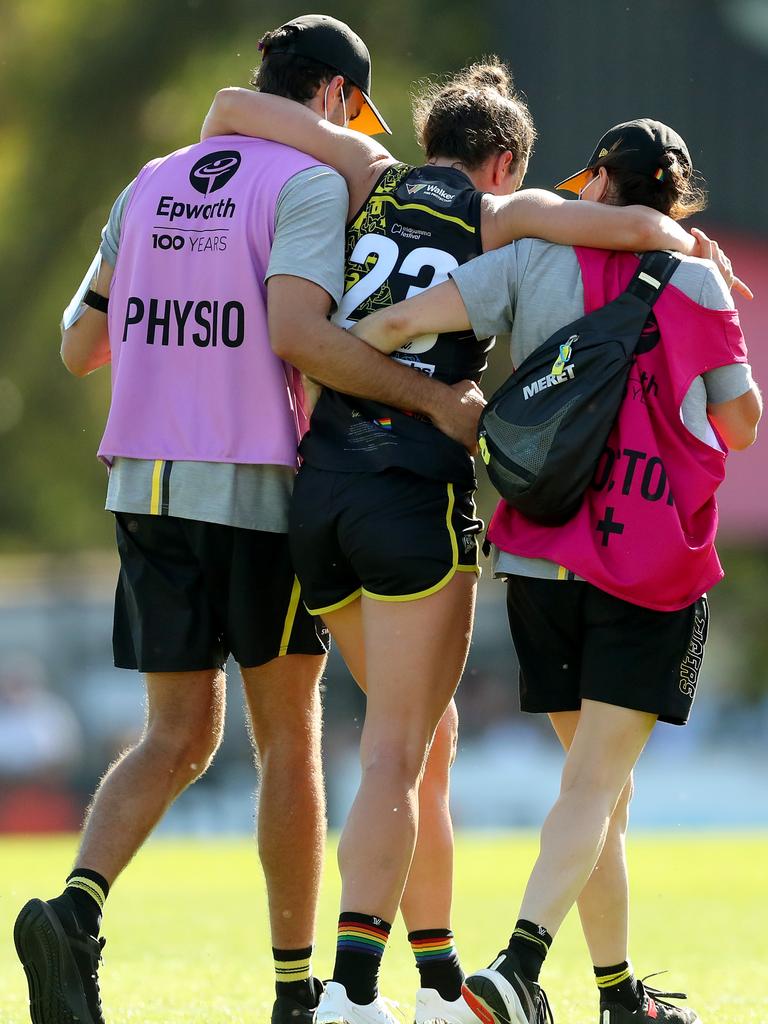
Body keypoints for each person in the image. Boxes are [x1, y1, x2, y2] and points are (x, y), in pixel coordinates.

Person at [203, 72, 710, 1024]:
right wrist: (684, 240)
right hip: (410, 492)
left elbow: (231, 105)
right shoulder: (503, 211)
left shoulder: (367, 168)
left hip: (318, 492)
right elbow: (642, 233)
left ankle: (436, 976)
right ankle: (350, 996)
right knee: (398, 747)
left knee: (419, 738)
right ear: (508, 157)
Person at [12, 16, 484, 1024]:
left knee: (175, 734)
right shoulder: (308, 185)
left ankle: (75, 912)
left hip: (141, 485)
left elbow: (78, 346)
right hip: (254, 486)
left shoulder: (150, 180)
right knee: (287, 739)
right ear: (332, 99)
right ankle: (291, 993)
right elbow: (301, 336)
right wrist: (427, 397)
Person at [345, 118, 762, 1024]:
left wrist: (338, 366)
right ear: (675, 197)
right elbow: (740, 423)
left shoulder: (533, 259)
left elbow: (405, 319)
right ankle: (517, 970)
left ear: (600, 185)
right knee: (597, 788)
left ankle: (619, 997)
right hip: (649, 563)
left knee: (597, 792)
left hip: (536, 557)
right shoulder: (698, 280)